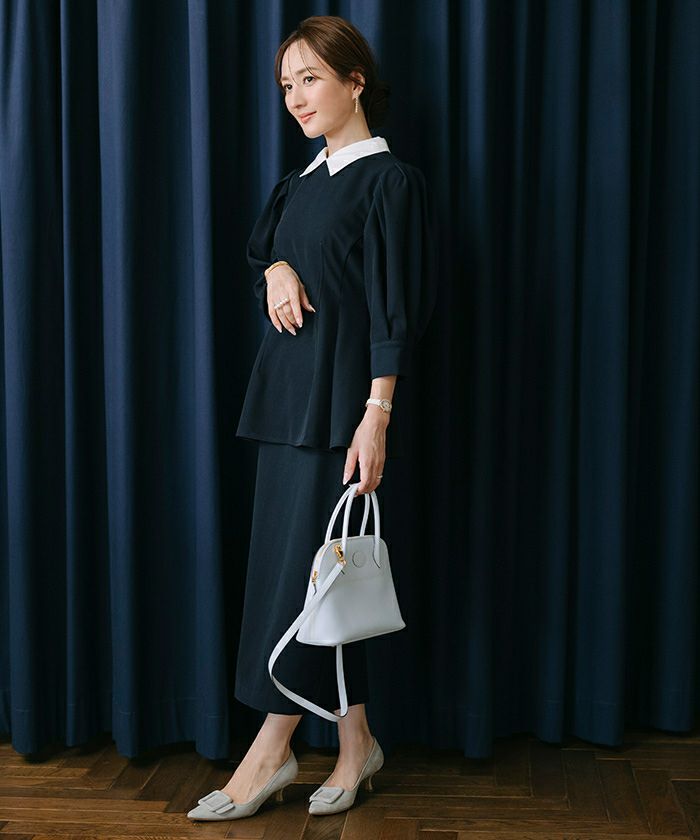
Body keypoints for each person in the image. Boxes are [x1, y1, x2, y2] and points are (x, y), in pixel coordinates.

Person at [188, 14, 437, 823]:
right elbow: (264, 248)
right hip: (284, 405)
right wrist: (277, 269)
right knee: (311, 580)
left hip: (343, 411)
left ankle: (270, 752)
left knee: (307, 583)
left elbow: (397, 312)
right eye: (287, 84)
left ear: (355, 82)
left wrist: (377, 415)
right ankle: (357, 745)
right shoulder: (300, 181)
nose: (296, 97)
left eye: (311, 79)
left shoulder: (388, 181)